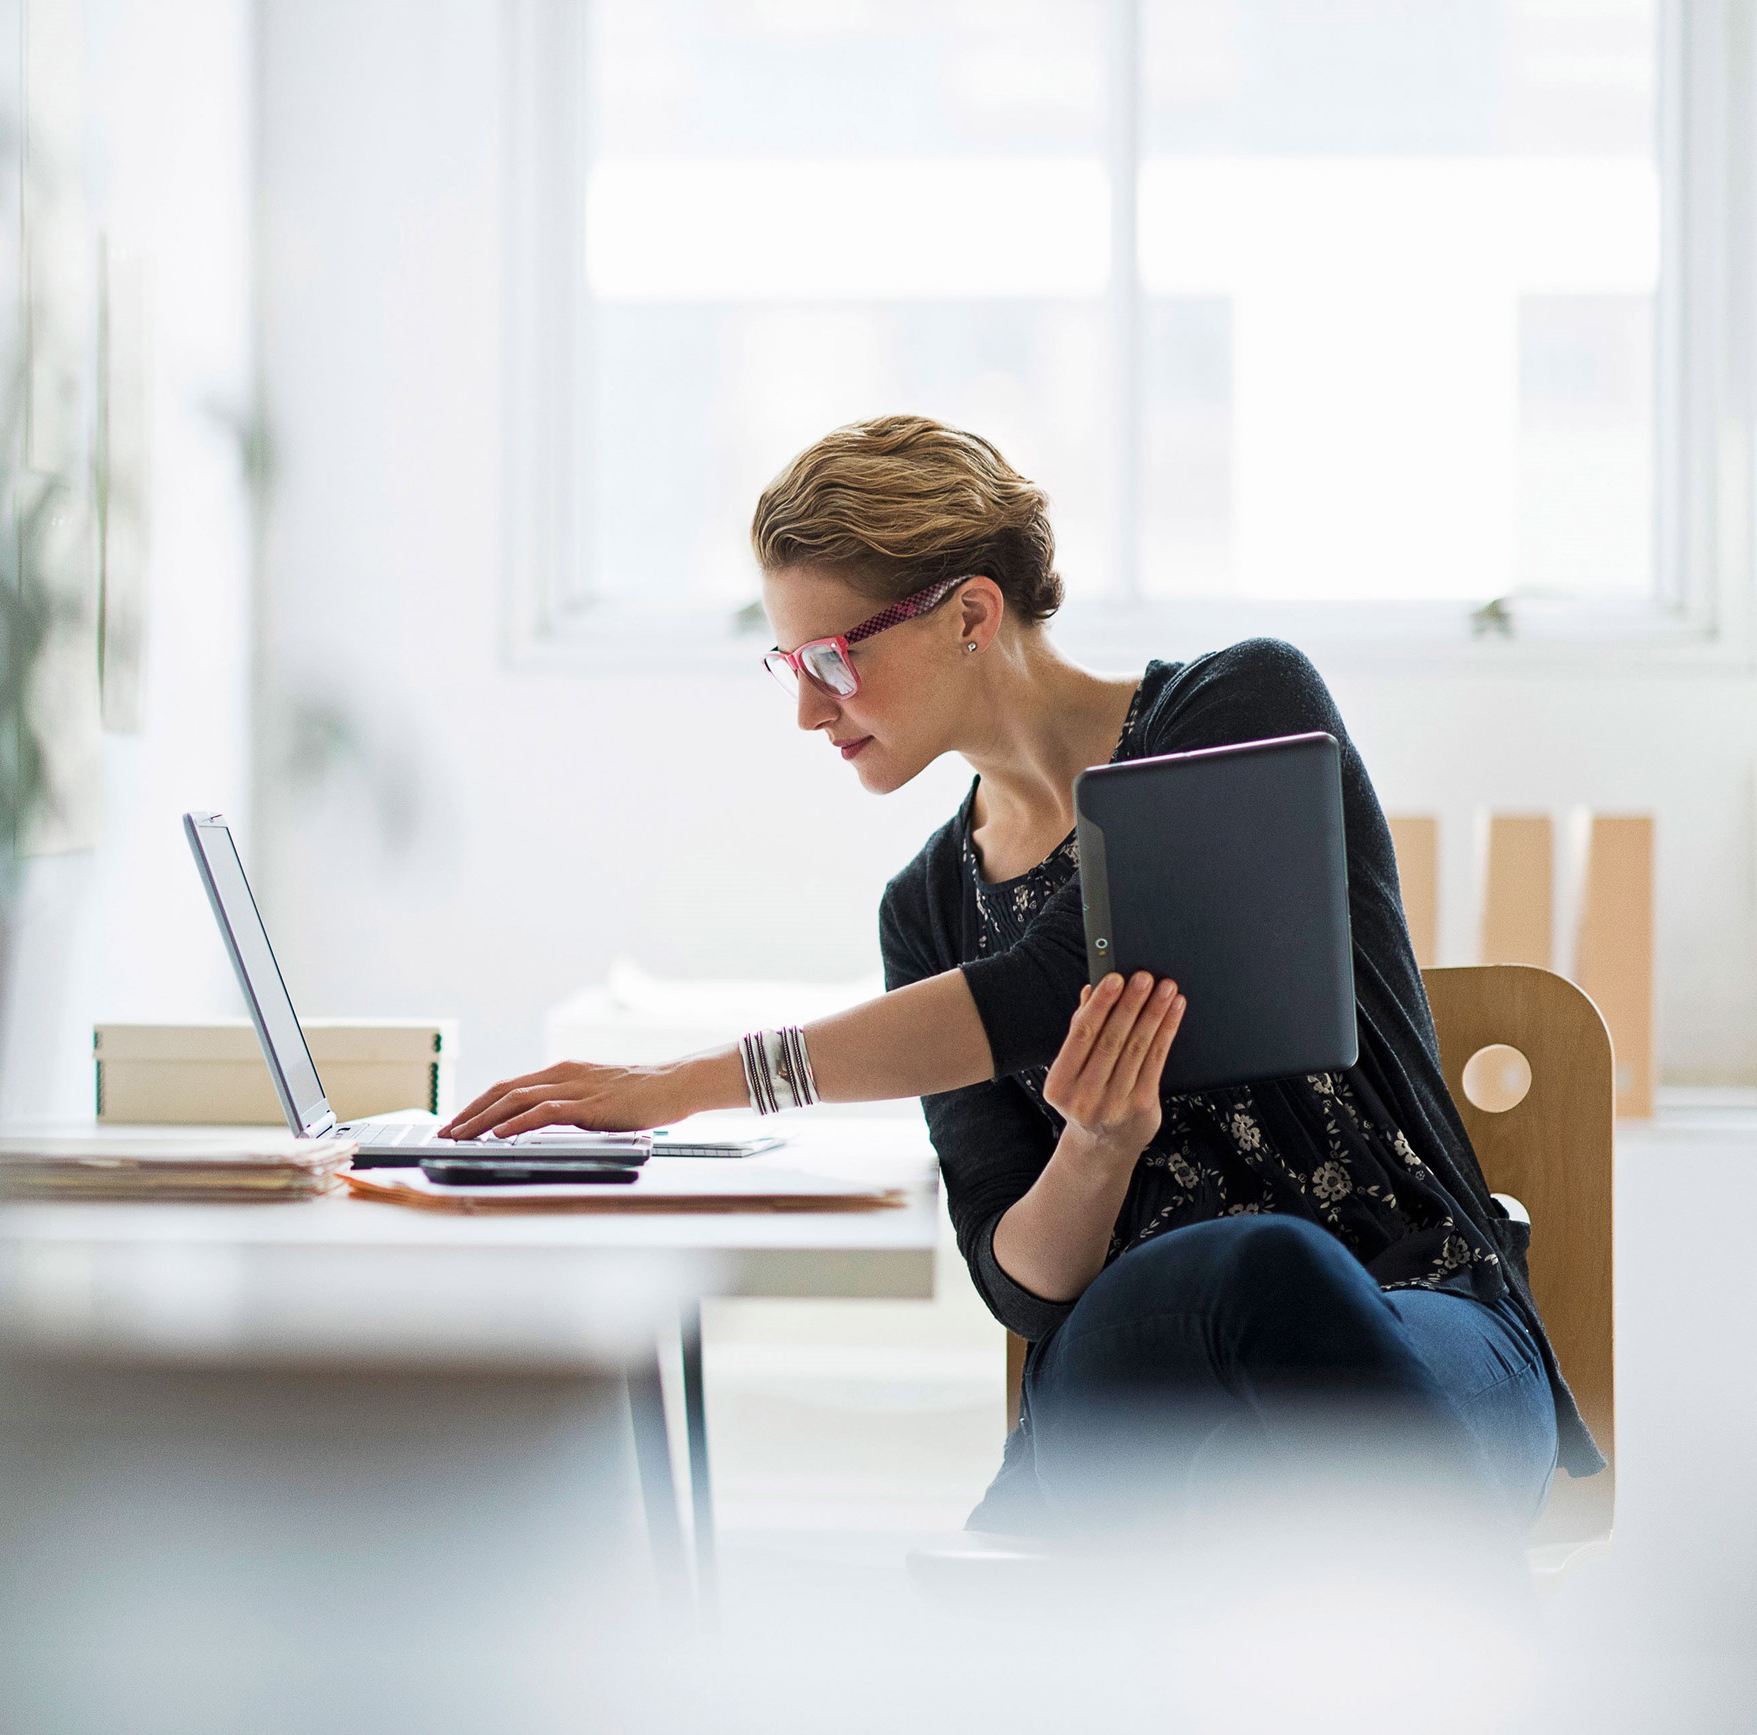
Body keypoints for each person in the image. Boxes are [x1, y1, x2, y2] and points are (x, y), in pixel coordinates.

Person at [443, 414, 1601, 1539]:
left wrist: (679, 1082)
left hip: (1420, 1309)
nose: (804, 707)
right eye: (787, 664)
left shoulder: (1237, 708)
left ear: (969, 614)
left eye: (830, 658)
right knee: (1247, 1313)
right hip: (1142, 1357)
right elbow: (1023, 1285)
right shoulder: (926, 910)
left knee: (1276, 1296)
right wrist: (1095, 1150)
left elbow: (1053, 979)